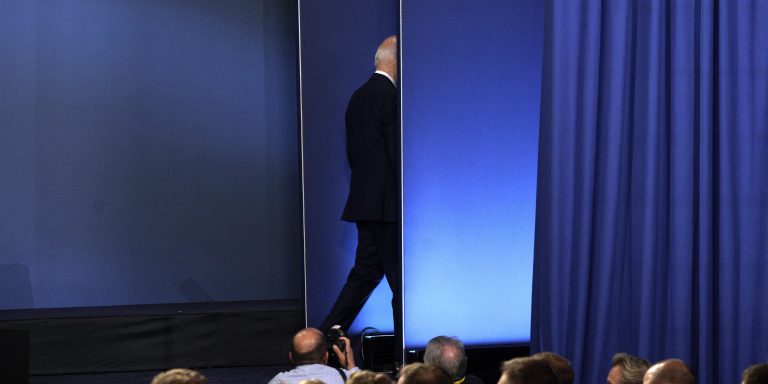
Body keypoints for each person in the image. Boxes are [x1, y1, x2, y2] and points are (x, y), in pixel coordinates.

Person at [319, 35, 401, 363]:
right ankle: (402, 361)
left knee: (365, 274)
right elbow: (396, 154)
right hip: (390, 207)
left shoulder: (359, 96)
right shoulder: (391, 97)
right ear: (396, 62)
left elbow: (358, 155)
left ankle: (322, 342)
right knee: (402, 287)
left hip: (367, 203)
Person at [268, 327, 359, 384]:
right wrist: (351, 366)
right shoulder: (345, 378)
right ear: (326, 356)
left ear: (291, 357)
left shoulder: (280, 380)